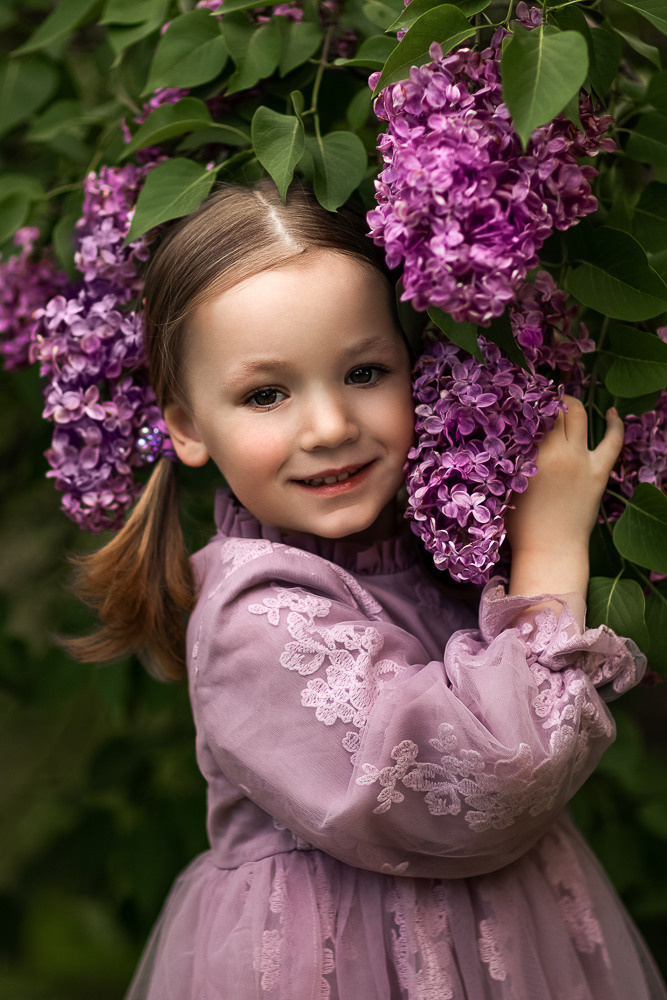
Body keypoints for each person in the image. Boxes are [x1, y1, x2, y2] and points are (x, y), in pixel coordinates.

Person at [71, 178, 666, 999]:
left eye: (362, 371)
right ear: (185, 425)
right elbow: (488, 786)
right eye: (265, 394)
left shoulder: (432, 538)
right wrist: (552, 552)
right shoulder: (256, 616)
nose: (327, 427)